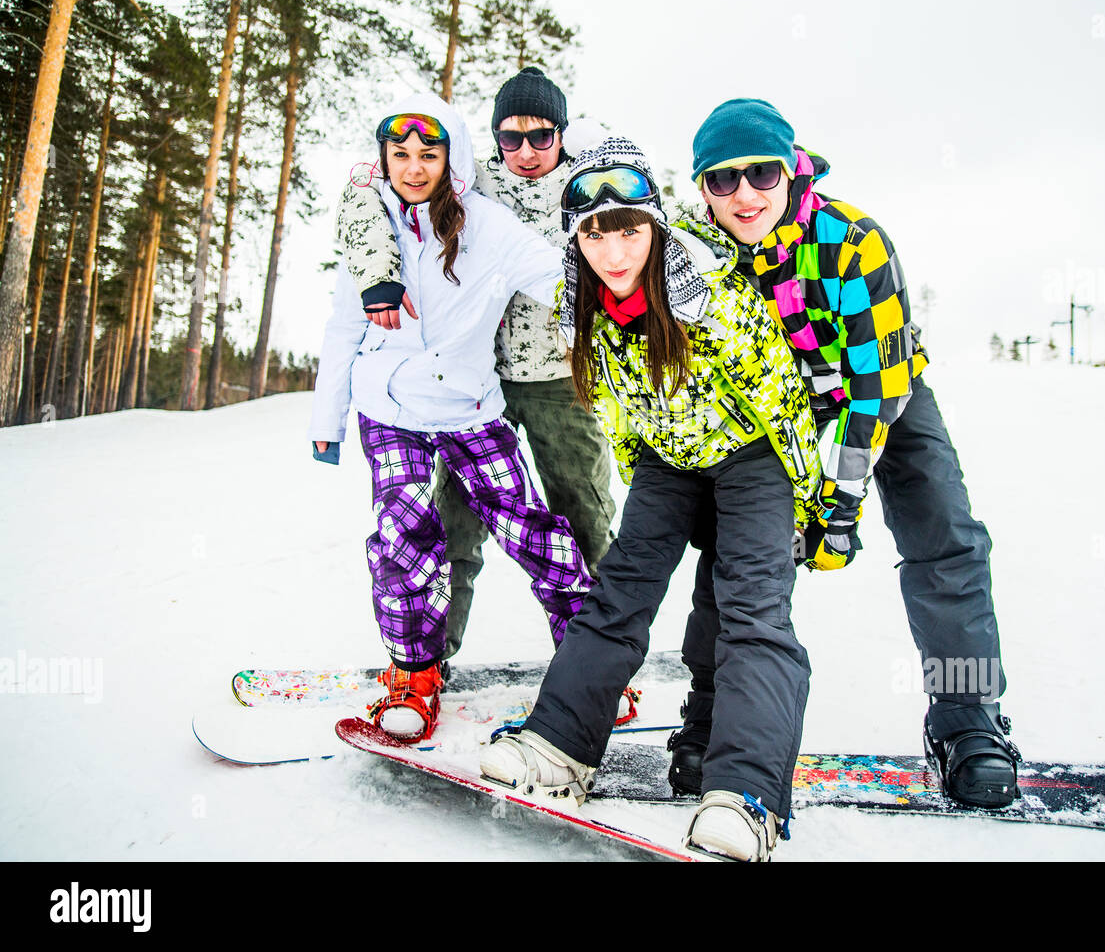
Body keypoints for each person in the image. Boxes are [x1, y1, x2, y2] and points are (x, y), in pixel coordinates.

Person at [476, 138, 822, 862]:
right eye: (596, 233)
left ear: (655, 228)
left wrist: (804, 504)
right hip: (670, 459)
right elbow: (615, 411)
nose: (613, 248)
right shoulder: (586, 308)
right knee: (622, 585)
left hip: (757, 456)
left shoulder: (710, 296)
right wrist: (649, 489)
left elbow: (782, 402)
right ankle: (559, 745)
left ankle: (745, 795)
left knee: (752, 607)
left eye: (629, 228)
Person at [675, 98, 1020, 809]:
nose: (745, 195)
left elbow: (877, 394)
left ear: (792, 170)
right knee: (739, 547)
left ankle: (965, 714)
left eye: (762, 173)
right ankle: (712, 715)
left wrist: (838, 503)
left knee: (943, 532)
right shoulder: (698, 252)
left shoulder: (851, 240)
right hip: (778, 408)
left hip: (880, 387)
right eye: (722, 179)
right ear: (702, 186)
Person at [308, 92, 593, 742]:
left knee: (529, 527)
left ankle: (590, 663)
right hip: (390, 406)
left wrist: (639, 292)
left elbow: (560, 278)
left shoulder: (487, 226)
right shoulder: (371, 228)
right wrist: (327, 415)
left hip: (470, 405)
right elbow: (343, 325)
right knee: (404, 534)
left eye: (428, 153)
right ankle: (414, 674)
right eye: (401, 154)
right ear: (383, 157)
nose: (413, 167)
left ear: (452, 157)